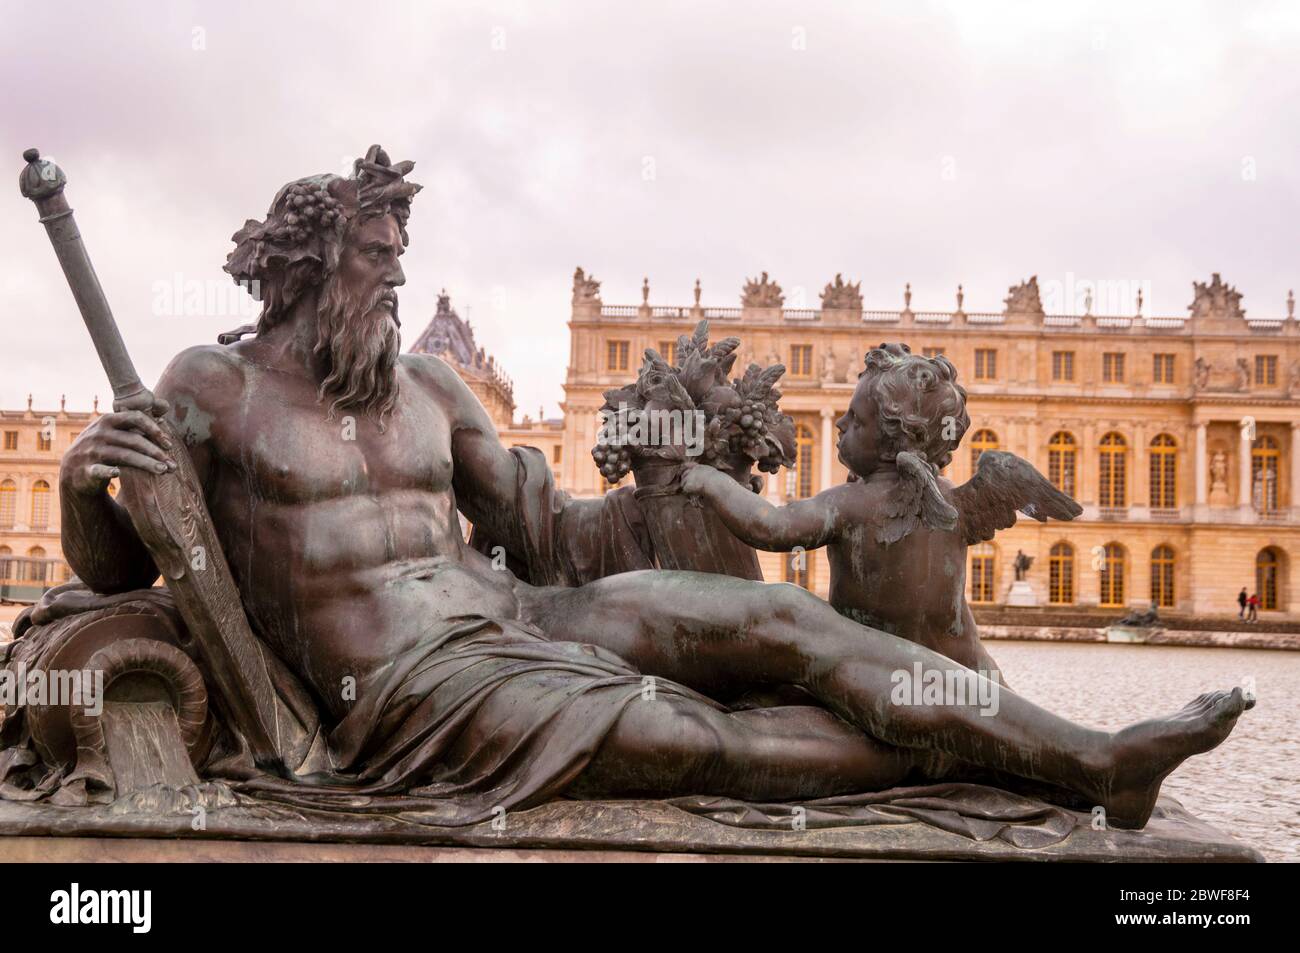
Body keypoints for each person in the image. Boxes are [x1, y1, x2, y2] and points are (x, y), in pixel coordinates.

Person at [47, 146, 1250, 830]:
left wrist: (682, 479)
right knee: (686, 733)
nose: (398, 281)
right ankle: (980, 762)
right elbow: (126, 564)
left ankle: (1093, 757)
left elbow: (553, 535)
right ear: (311, 264)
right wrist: (82, 483)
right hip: (405, 683)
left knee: (785, 619)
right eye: (377, 260)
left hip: (510, 613)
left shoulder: (428, 386)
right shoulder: (210, 385)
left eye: (401, 262)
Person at [681, 343, 1080, 675]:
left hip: (877, 674)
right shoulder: (953, 499)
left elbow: (770, 526)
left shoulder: (850, 504)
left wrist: (711, 481)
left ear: (892, 439)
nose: (839, 424)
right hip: (962, 671)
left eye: (855, 420)